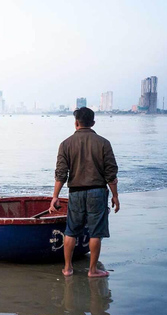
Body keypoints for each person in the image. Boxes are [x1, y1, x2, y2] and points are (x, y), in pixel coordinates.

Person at [49, 107, 120, 278]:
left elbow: (61, 174)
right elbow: (111, 174)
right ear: (93, 123)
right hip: (97, 191)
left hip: (76, 192)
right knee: (96, 232)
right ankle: (93, 270)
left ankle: (67, 268)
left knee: (71, 230)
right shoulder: (103, 143)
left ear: (76, 123)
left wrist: (55, 197)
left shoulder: (65, 144)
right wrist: (115, 196)